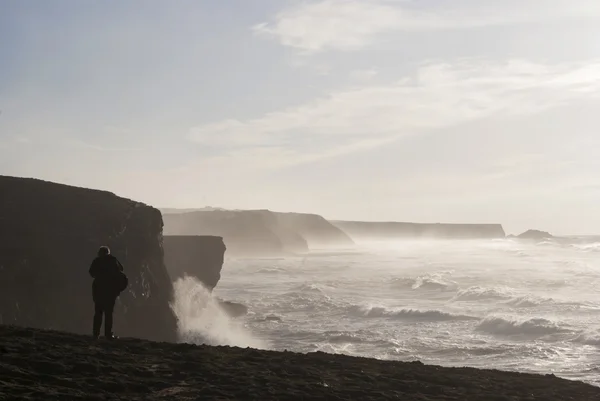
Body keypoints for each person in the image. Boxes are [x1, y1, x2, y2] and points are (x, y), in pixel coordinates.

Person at [89, 246, 125, 339]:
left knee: (98, 312)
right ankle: (108, 334)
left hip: (99, 290)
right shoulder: (113, 260)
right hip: (110, 291)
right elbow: (121, 269)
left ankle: (95, 334)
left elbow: (91, 273)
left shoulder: (97, 261)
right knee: (109, 313)